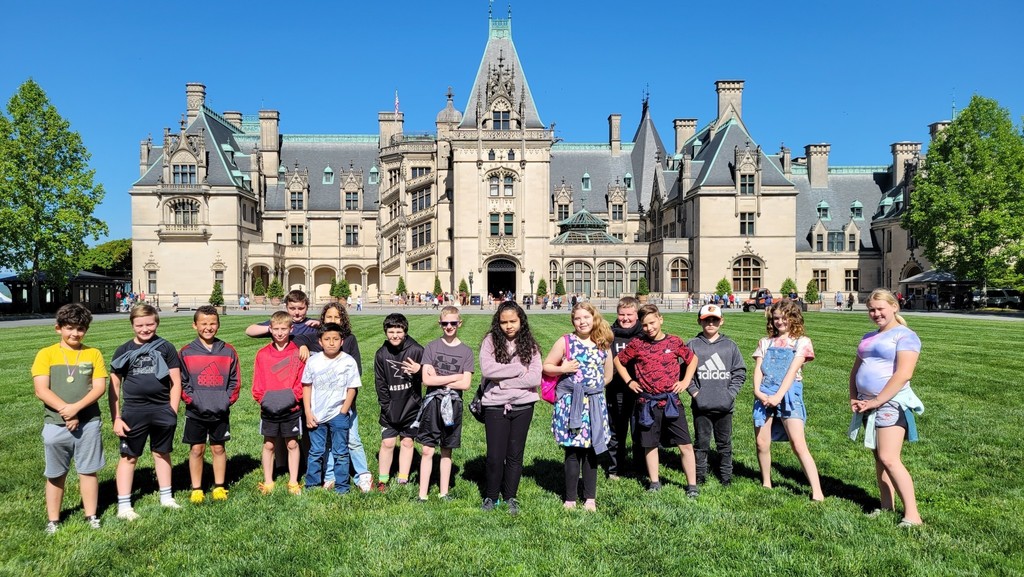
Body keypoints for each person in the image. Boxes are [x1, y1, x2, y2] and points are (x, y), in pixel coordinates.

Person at [848, 289, 925, 527]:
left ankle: (913, 515)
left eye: (880, 308)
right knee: (879, 458)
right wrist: (854, 397)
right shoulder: (868, 336)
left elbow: (904, 374)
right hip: (867, 403)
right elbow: (855, 370)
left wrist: (877, 400)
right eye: (871, 309)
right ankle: (886, 506)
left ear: (894, 307)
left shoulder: (905, 336)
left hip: (891, 402)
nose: (876, 313)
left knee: (890, 458)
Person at [32, 304, 108, 534]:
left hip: (88, 422)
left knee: (88, 470)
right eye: (70, 328)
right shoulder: (46, 354)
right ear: (58, 328)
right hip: (55, 423)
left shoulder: (92, 353)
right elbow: (41, 390)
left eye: (81, 329)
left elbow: (98, 388)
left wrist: (76, 409)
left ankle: (91, 515)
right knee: (56, 473)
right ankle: (53, 519)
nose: (75, 333)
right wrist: (67, 411)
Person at [614, 304, 700, 496]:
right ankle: (654, 482)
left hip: (671, 402)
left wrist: (685, 381)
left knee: (685, 444)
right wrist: (629, 381)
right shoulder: (637, 344)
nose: (649, 328)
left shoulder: (674, 342)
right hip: (647, 403)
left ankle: (692, 485)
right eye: (644, 325)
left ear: (660, 319)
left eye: (652, 323)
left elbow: (692, 359)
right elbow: (618, 360)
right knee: (650, 444)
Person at [109, 304, 183, 520]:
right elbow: (114, 386)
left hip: (161, 409)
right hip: (133, 411)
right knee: (129, 457)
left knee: (162, 452)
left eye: (150, 324)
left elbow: (176, 382)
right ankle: (124, 506)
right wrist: (116, 418)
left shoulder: (166, 348)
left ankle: (166, 497)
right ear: (132, 325)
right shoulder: (123, 350)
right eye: (139, 325)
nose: (145, 329)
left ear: (157, 323)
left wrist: (172, 410)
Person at [295, 302, 372, 492]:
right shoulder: (317, 339)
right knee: (326, 444)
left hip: (343, 404)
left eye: (337, 317)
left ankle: (362, 475)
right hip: (321, 406)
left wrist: (345, 408)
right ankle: (329, 476)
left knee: (351, 440)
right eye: (329, 317)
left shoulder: (349, 340)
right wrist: (303, 345)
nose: (333, 320)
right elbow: (297, 338)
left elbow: (356, 376)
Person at [752, 300, 824, 501]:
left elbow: (792, 372)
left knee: (798, 444)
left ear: (793, 318)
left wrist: (778, 396)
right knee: (761, 442)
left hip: (789, 393)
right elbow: (758, 369)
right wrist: (758, 391)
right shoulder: (765, 342)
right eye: (776, 318)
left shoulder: (802, 341)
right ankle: (766, 482)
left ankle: (817, 491)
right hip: (765, 392)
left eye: (784, 317)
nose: (780, 322)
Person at [545, 302, 613, 511]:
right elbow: (546, 366)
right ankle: (571, 497)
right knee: (573, 450)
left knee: (592, 450)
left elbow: (608, 374)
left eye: (586, 317)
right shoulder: (566, 341)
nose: (582, 322)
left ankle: (590, 497)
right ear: (572, 321)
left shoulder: (603, 344)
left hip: (594, 403)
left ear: (594, 318)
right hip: (571, 404)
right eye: (577, 318)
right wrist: (562, 368)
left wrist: (594, 390)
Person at [479, 301, 541, 514]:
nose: (509, 326)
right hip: (495, 404)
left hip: (524, 404)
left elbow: (535, 377)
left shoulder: (530, 345)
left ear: (521, 320)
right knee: (495, 455)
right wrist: (516, 368)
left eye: (513, 321)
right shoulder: (490, 341)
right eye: (504, 322)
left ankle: (510, 497)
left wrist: (504, 381)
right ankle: (491, 496)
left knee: (515, 454)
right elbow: (487, 369)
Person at [178, 305, 241, 504]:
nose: (208, 327)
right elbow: (182, 382)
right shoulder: (186, 352)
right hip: (195, 410)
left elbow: (235, 381)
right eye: (204, 323)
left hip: (220, 410)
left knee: (218, 448)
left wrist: (225, 401)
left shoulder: (228, 351)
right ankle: (197, 488)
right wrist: (193, 400)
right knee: (197, 449)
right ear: (194, 325)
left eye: (212, 323)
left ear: (219, 325)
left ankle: (219, 486)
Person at [415, 306, 474, 501]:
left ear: (460, 323)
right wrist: (456, 376)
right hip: (433, 403)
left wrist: (441, 376)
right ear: (439, 324)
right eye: (445, 323)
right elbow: (427, 381)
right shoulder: (432, 347)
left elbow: (465, 384)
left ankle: (443, 492)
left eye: (453, 323)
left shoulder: (466, 351)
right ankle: (422, 495)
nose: (449, 326)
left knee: (447, 449)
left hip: (453, 404)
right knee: (427, 449)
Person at [686, 304, 746, 486]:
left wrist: (730, 394)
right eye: (706, 320)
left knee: (724, 444)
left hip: (724, 406)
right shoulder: (692, 345)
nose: (710, 323)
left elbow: (740, 372)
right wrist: (695, 392)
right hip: (701, 406)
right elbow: (684, 373)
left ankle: (726, 476)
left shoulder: (730, 346)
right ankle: (700, 475)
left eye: (715, 320)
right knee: (701, 443)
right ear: (699, 321)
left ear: (721, 321)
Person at [302, 323, 361, 494]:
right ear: (320, 342)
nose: (331, 343)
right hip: (317, 415)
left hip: (338, 414)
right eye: (327, 339)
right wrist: (308, 412)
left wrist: (343, 411)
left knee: (341, 452)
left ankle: (342, 487)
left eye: (336, 339)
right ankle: (312, 485)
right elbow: (307, 386)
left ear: (342, 341)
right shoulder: (314, 361)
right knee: (316, 451)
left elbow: (352, 388)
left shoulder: (348, 361)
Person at [252, 311, 305, 495]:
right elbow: (257, 383)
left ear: (291, 329)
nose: (280, 333)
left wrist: (292, 397)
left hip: (292, 407)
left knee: (292, 443)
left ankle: (293, 482)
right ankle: (268, 481)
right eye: (276, 329)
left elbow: (302, 381)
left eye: (284, 329)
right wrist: (263, 399)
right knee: (269, 445)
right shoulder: (262, 354)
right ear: (270, 330)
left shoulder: (298, 353)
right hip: (269, 407)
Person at [374, 313, 424, 491]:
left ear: (405, 331)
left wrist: (419, 370)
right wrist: (386, 406)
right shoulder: (381, 354)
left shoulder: (417, 350)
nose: (395, 335)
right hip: (390, 407)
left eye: (399, 331)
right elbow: (380, 382)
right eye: (391, 331)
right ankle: (383, 480)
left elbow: (428, 376)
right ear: (386, 332)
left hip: (411, 406)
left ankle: (403, 478)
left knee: (407, 442)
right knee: (387, 443)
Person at [606, 296, 642, 479]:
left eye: (629, 314)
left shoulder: (644, 334)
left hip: (641, 391)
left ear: (637, 314)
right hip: (616, 390)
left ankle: (639, 468)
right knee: (616, 431)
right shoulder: (610, 335)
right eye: (622, 314)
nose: (625, 318)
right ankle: (614, 468)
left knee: (640, 430)